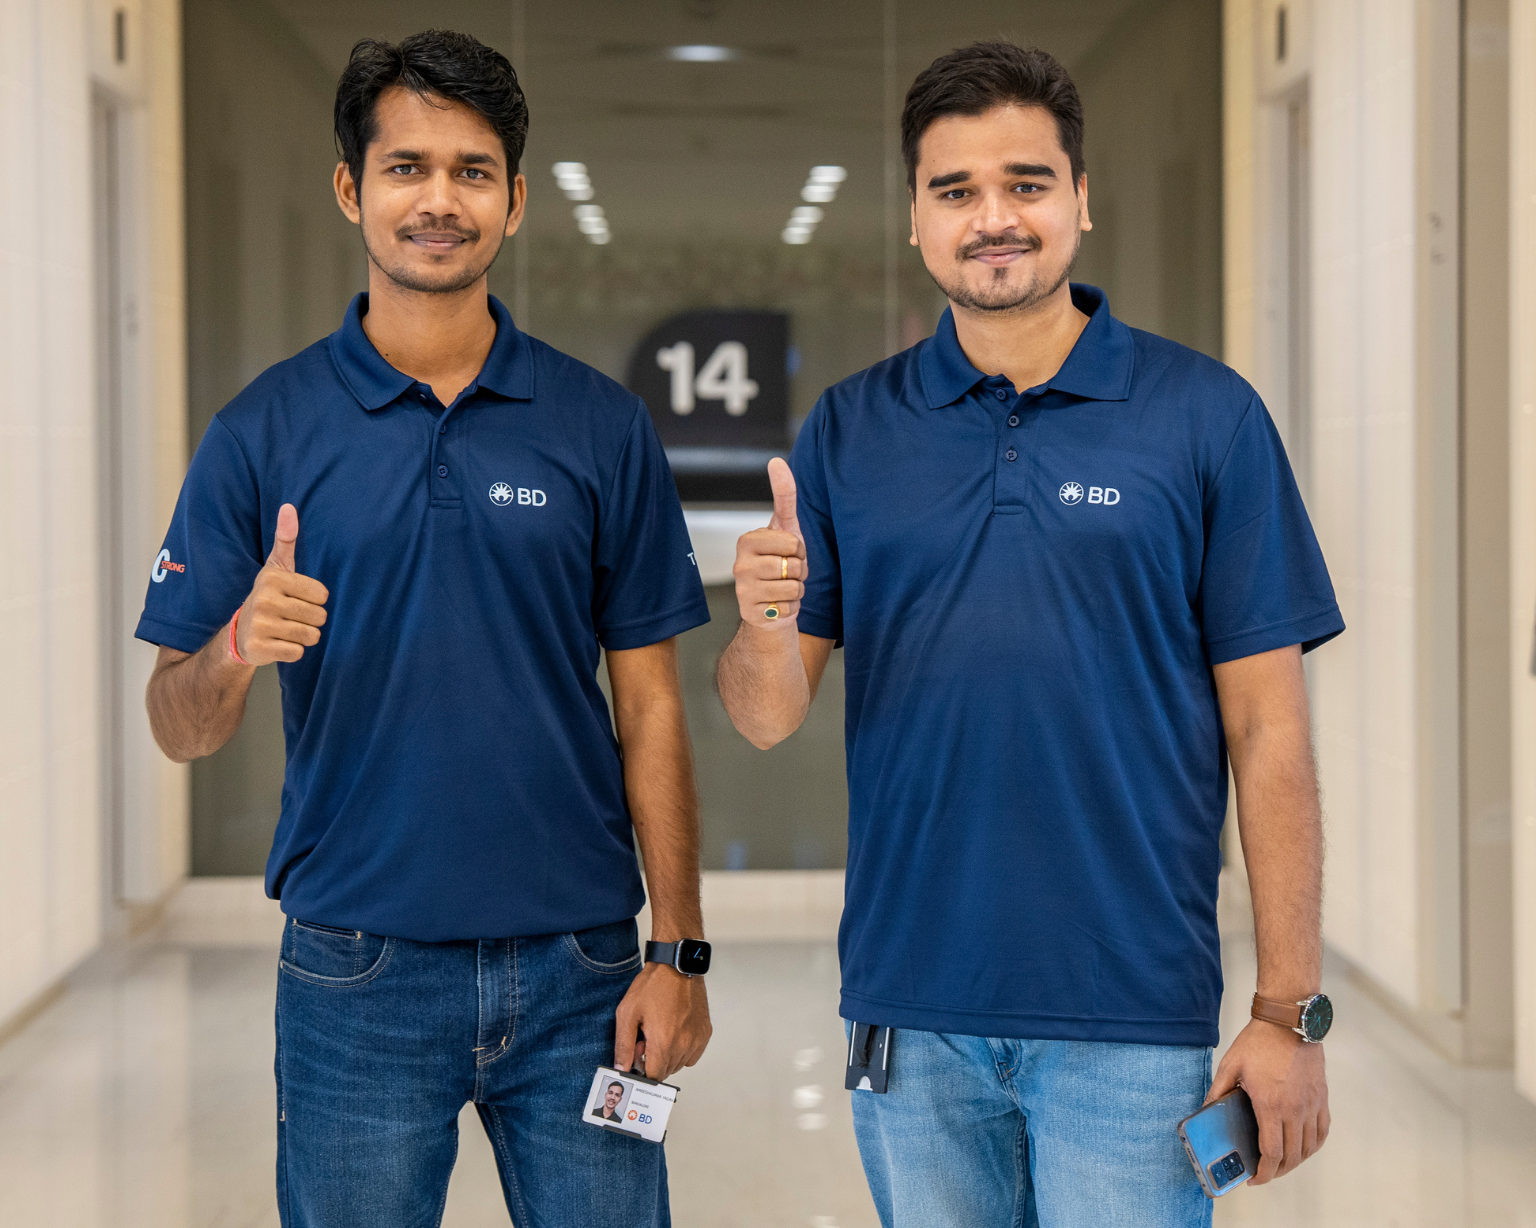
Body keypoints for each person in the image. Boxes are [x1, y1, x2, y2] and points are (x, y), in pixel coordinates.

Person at [716, 41, 1341, 1227]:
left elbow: (1269, 733)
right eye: (955, 191)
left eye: (1026, 183)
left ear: (1080, 200)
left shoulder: (1205, 417)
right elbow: (765, 714)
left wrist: (1285, 1012)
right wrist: (762, 621)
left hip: (1131, 1016)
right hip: (911, 1010)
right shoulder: (853, 429)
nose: (992, 218)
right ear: (915, 218)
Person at [138, 30, 712, 1228]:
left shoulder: (600, 426)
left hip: (584, 970)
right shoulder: (264, 430)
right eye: (406, 168)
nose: (438, 200)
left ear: (511, 201)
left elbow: (651, 703)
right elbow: (176, 725)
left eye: (472, 170)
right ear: (353, 189)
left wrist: (680, 948)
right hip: (358, 972)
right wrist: (238, 642)